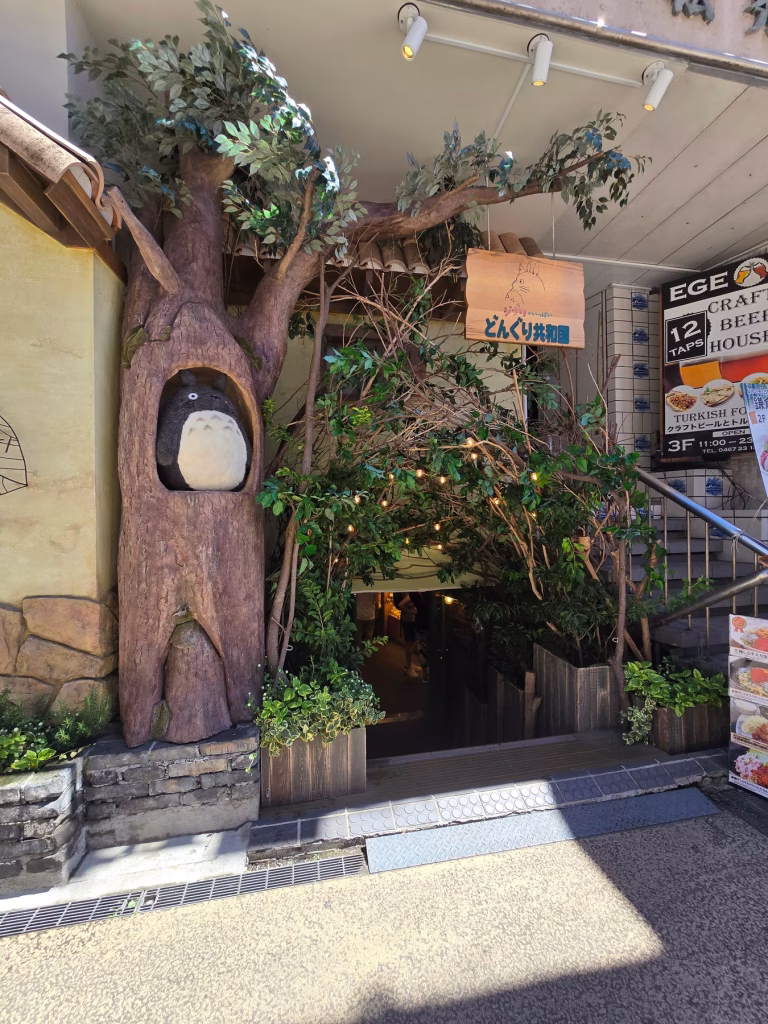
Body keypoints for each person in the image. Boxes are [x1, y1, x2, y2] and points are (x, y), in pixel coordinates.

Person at [395, 592, 420, 677]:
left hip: (410, 620)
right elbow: (400, 605)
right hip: (408, 620)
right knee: (410, 642)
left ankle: (409, 664)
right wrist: (412, 612)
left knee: (411, 642)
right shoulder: (410, 594)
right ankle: (409, 667)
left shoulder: (411, 592)